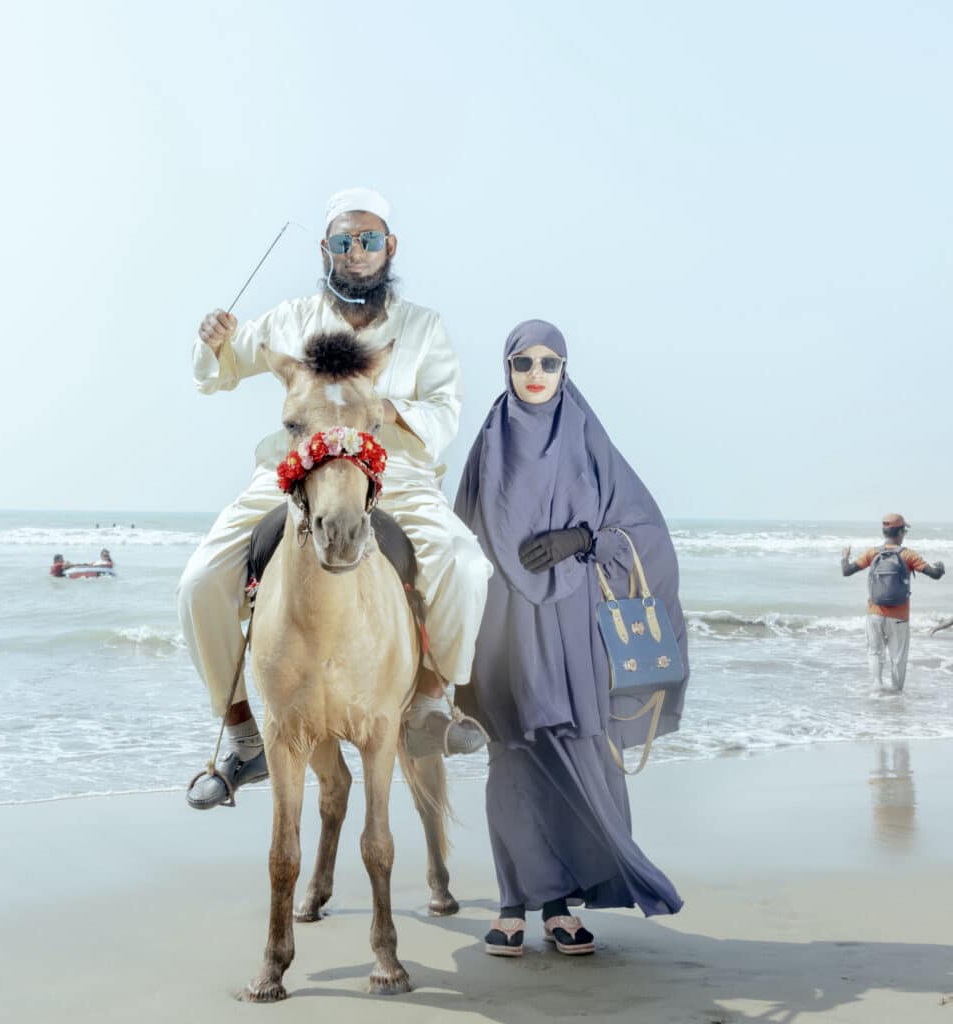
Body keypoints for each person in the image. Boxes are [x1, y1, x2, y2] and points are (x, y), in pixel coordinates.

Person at [179, 187, 492, 810]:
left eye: (368, 240)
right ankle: (243, 735)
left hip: (393, 470)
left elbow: (446, 412)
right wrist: (212, 338)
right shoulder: (289, 317)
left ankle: (431, 698)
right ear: (326, 249)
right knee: (197, 582)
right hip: (295, 471)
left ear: (389, 248)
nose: (356, 252)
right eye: (344, 241)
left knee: (465, 563)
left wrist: (384, 410)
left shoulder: (423, 327)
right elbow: (220, 371)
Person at [454, 319, 685, 957]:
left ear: (564, 369)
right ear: (505, 368)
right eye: (523, 361)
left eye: (549, 362)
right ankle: (512, 904)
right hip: (503, 624)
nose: (536, 373)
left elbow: (643, 529)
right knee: (514, 757)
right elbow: (459, 541)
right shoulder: (490, 441)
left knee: (576, 752)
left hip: (575, 621)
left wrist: (582, 541)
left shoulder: (587, 436)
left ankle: (558, 908)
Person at [841, 514, 945, 692]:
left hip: (874, 614)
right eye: (904, 530)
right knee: (898, 658)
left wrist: (844, 556)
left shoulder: (872, 553)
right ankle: (896, 694)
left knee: (875, 652)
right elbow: (934, 574)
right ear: (900, 532)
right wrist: (941, 567)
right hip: (899, 618)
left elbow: (847, 571)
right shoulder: (907, 554)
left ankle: (876, 688)